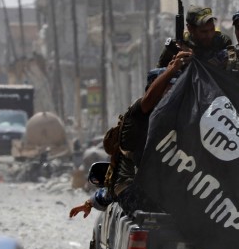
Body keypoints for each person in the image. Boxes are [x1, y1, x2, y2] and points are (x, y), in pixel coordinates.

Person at [70, 55, 186, 219]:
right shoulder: (138, 115)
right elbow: (119, 181)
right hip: (137, 193)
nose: (170, 95)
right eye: (166, 88)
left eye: (175, 89)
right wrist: (172, 70)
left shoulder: (181, 119)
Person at [156, 5, 232, 67]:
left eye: (212, 29)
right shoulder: (176, 46)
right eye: (204, 32)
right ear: (190, 29)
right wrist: (175, 66)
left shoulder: (222, 41)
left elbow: (221, 70)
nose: (209, 35)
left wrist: (194, 60)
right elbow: (156, 78)